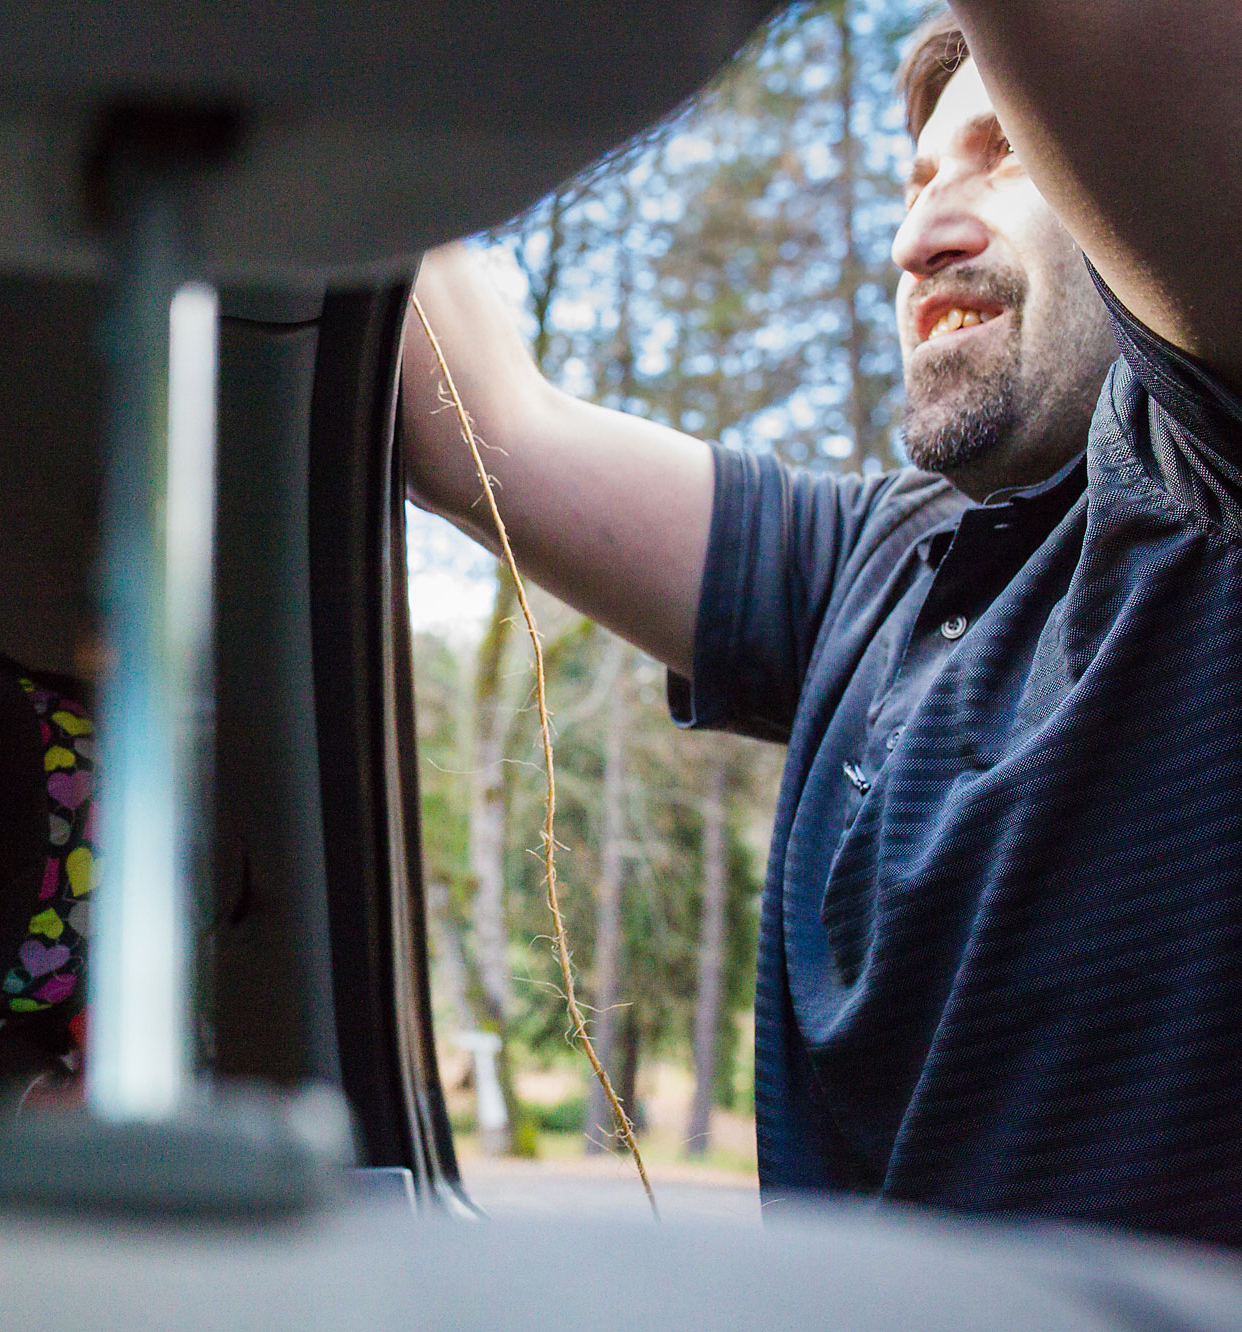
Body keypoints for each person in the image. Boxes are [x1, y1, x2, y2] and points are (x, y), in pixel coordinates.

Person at [403, 3, 1242, 1246]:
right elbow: (484, 429)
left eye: (1004, 155)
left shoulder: (1203, 487)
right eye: (911, 182)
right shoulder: (872, 556)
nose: (916, 235)